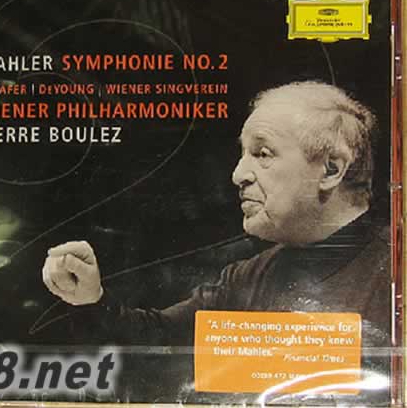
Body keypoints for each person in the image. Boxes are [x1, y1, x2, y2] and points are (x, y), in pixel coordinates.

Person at [42, 80, 390, 355]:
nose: (238, 175)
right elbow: (158, 340)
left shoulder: (396, 273)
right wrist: (90, 298)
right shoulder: (246, 277)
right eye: (244, 154)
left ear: (331, 169)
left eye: (262, 153)